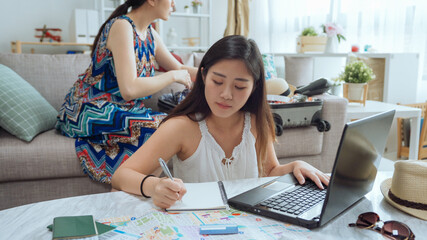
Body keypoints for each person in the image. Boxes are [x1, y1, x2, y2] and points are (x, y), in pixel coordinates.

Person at [111, 35, 330, 209]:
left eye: (240, 86)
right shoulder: (182, 127)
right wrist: (155, 186)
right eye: (217, 81)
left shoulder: (255, 121)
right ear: (204, 76)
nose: (226, 94)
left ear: (254, 87)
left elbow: (270, 172)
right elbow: (121, 176)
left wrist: (295, 166)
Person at [55, 0, 197, 184]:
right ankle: (134, 188)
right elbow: (129, 89)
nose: (174, 5)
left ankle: (139, 190)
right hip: (90, 107)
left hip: (123, 109)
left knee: (171, 124)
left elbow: (179, 67)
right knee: (161, 129)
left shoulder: (150, 33)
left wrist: (212, 75)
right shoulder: (122, 27)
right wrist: (172, 76)